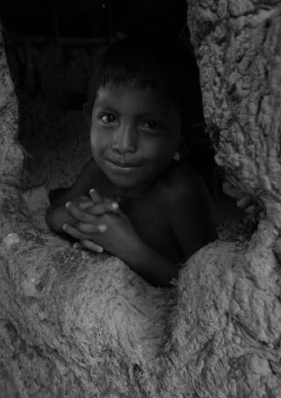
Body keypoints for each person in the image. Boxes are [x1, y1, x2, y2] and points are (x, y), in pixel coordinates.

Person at [45, 35, 217, 287]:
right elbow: (53, 215)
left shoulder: (180, 192)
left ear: (183, 137)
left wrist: (128, 247)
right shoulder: (96, 172)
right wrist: (81, 218)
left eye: (150, 125)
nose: (123, 145)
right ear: (87, 117)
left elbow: (207, 283)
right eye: (108, 118)